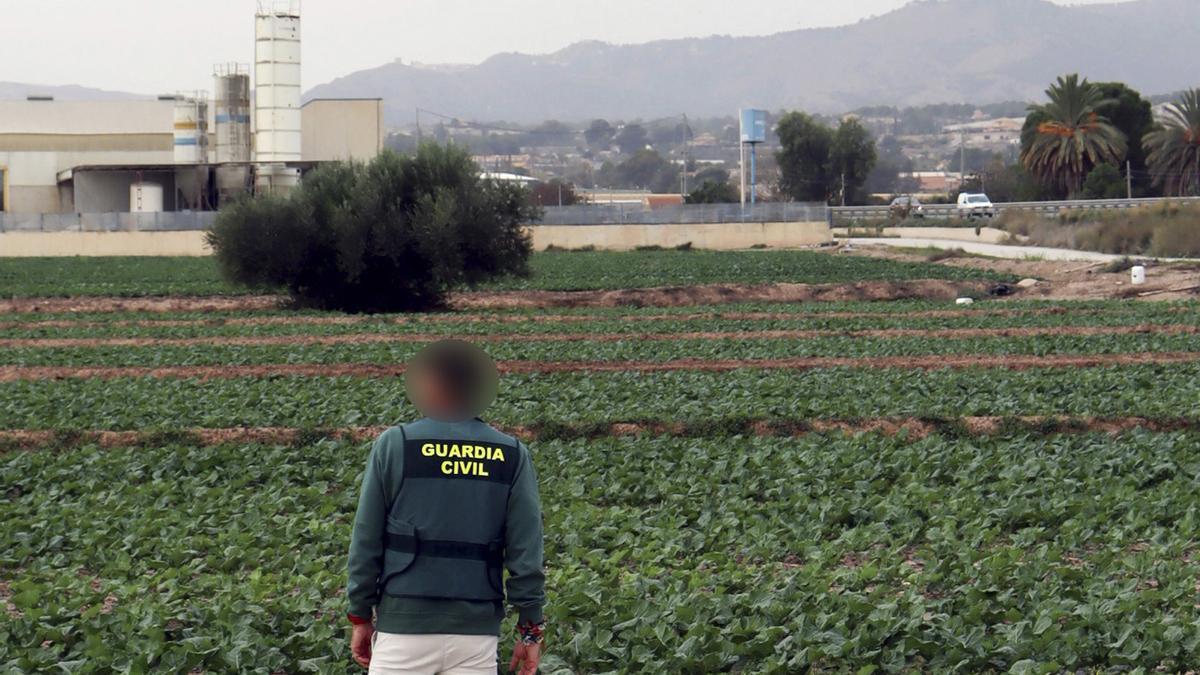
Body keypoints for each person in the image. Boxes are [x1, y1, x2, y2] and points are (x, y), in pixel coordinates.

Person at [346, 340, 546, 674]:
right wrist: (530, 629)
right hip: (475, 637)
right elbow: (527, 553)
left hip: (403, 629)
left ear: (430, 384)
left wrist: (359, 614)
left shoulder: (395, 445)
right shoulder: (511, 453)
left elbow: (366, 540)